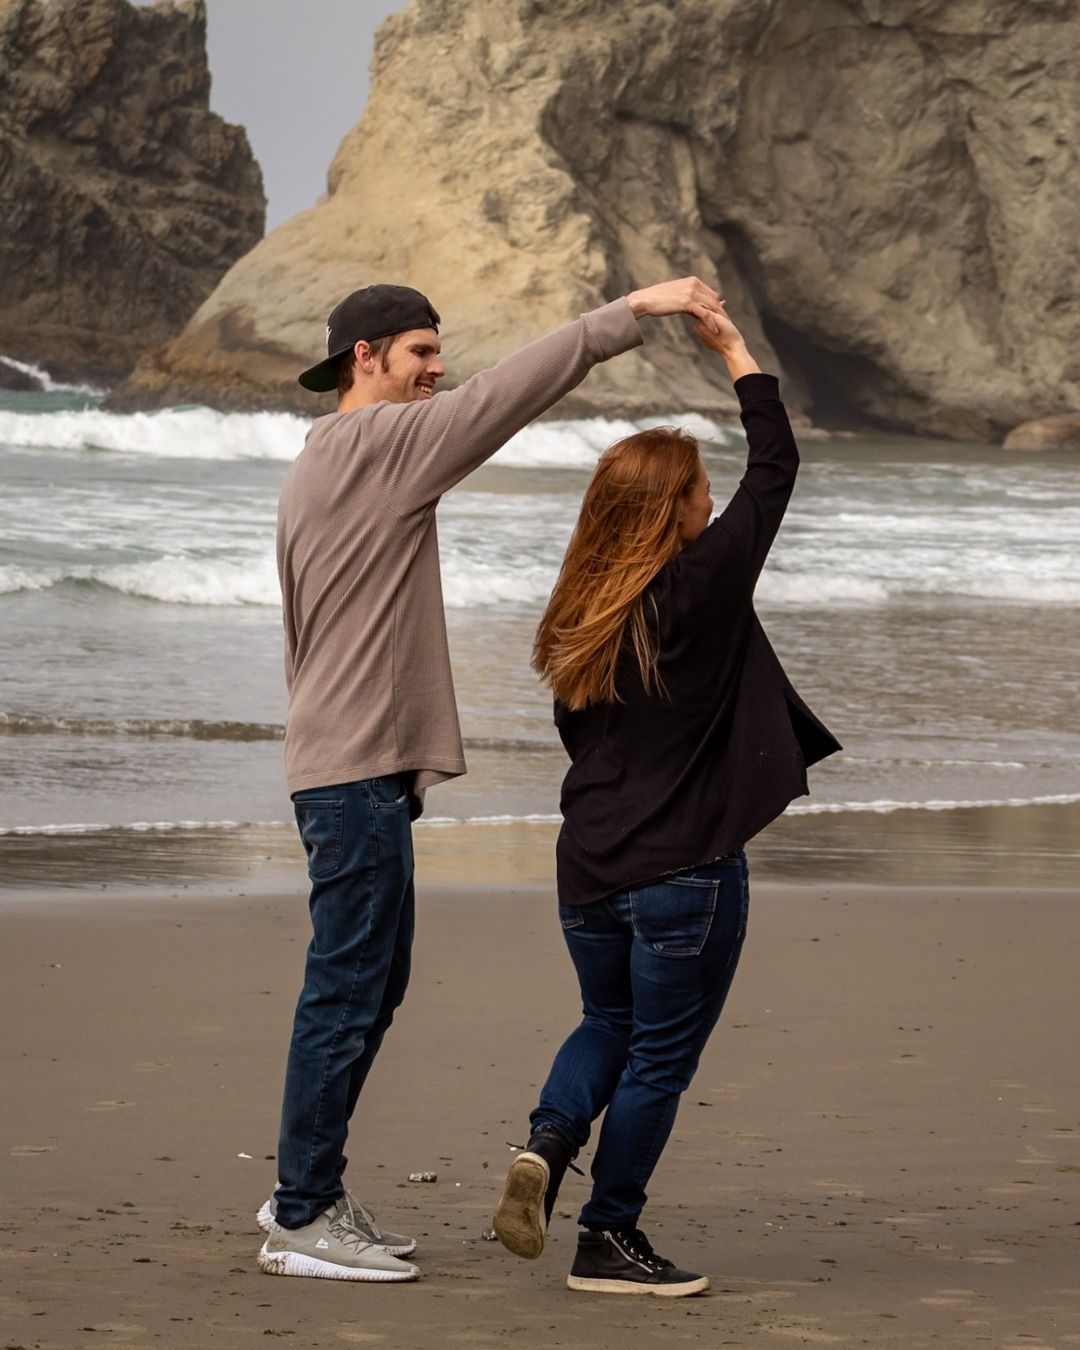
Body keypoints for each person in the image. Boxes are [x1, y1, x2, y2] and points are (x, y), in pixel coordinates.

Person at [257, 277, 730, 1282]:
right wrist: (624, 315)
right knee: (346, 996)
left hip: (346, 768)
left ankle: (314, 1188)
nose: (439, 370)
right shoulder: (380, 445)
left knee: (368, 990)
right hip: (353, 775)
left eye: (440, 350)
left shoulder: (320, 462)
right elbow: (509, 395)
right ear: (365, 359)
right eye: (421, 351)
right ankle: (300, 1213)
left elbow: (311, 630)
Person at [492, 303, 840, 1296]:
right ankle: (608, 1235)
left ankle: (548, 1146)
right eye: (697, 493)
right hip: (684, 873)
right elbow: (776, 469)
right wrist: (733, 351)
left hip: (589, 867)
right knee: (659, 1064)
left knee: (607, 1022)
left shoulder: (577, 612)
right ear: (675, 512)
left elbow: (584, 738)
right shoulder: (703, 584)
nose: (711, 504)